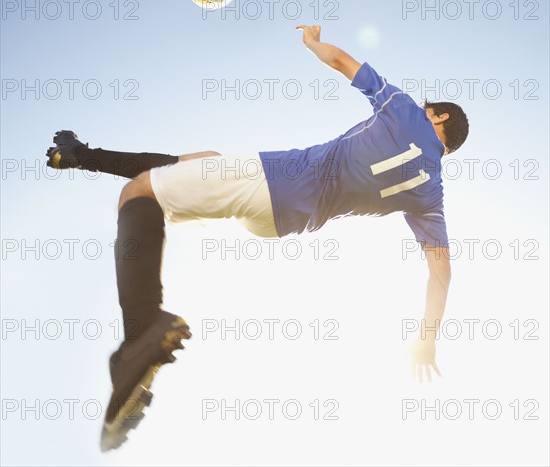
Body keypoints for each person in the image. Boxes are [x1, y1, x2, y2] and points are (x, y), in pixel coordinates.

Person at [46, 25, 469, 451]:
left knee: (137, 193)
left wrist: (311, 42)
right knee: (204, 161)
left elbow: (342, 62)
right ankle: (81, 155)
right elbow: (441, 272)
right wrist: (426, 340)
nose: (422, 106)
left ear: (440, 117)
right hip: (281, 223)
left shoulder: (403, 109)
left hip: (275, 178)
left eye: (428, 106)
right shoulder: (430, 192)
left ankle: (141, 332)